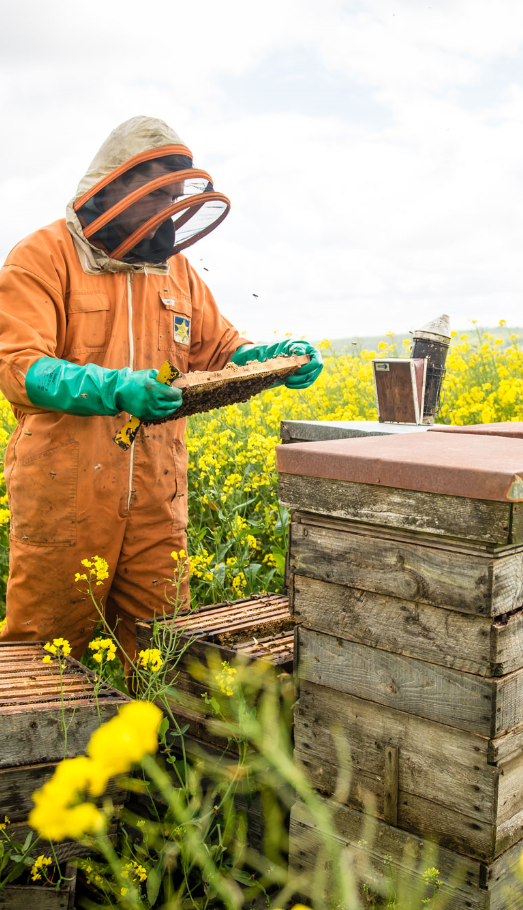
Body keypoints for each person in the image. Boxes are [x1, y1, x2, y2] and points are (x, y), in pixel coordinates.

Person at [0, 115, 322, 665]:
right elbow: (17, 366)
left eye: (173, 198)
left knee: (164, 647)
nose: (167, 210)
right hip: (66, 494)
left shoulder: (175, 269)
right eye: (157, 195)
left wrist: (264, 359)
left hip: (157, 497)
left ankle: (148, 725)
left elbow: (218, 348)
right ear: (118, 186)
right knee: (45, 652)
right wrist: (115, 387)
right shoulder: (41, 256)